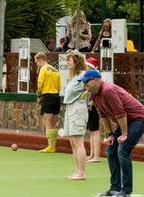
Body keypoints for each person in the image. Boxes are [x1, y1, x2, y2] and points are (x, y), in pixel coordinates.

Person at [82, 69, 144, 197]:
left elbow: (120, 113)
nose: (85, 85)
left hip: (138, 119)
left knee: (123, 149)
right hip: (126, 121)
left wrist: (124, 134)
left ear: (96, 80)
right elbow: (103, 115)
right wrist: (110, 134)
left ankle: (126, 190)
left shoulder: (108, 90)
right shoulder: (94, 94)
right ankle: (115, 188)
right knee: (110, 150)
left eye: (87, 82)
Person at [62, 49, 89, 180]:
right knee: (73, 142)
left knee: (78, 142)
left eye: (69, 59)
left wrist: (88, 93)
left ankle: (81, 172)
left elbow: (96, 83)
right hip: (69, 107)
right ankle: (77, 170)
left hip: (78, 108)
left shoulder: (84, 75)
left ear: (76, 61)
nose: (67, 62)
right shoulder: (72, 77)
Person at [34, 52, 61, 153]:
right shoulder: (55, 70)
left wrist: (39, 95)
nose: (36, 64)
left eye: (36, 62)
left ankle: (51, 146)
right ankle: (52, 145)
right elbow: (59, 86)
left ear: (41, 60)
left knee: (47, 121)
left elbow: (40, 83)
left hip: (47, 95)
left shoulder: (43, 69)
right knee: (53, 122)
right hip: (56, 96)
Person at [84, 56, 102, 163]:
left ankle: (96, 156)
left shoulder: (95, 77)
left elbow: (97, 92)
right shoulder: (89, 76)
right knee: (91, 131)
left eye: (87, 65)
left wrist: (92, 102)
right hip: (89, 105)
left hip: (93, 105)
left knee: (95, 131)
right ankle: (91, 154)